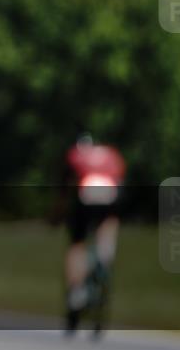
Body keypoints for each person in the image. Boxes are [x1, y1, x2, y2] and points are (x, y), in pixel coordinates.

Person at [61, 132, 125, 334]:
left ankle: (76, 291)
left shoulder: (76, 155)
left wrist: (57, 212)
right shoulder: (111, 155)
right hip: (110, 199)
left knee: (77, 244)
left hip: (85, 198)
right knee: (108, 227)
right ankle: (105, 256)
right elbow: (121, 182)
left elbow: (66, 187)